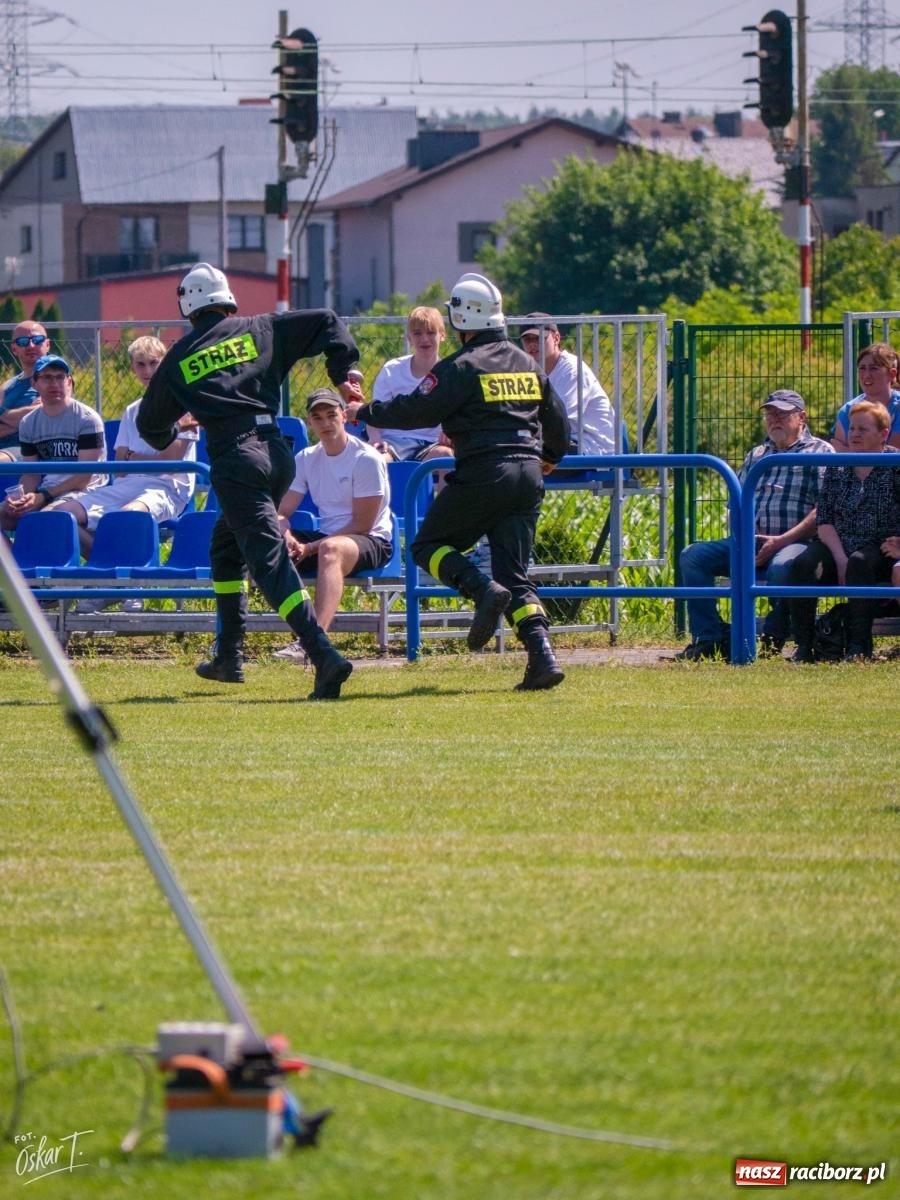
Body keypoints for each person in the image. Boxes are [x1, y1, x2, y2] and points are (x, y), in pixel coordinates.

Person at [136, 262, 363, 700]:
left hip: (236, 461)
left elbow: (149, 426)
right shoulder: (262, 327)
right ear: (227, 299)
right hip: (278, 453)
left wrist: (172, 430)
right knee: (225, 549)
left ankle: (324, 656)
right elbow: (328, 322)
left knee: (268, 562)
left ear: (188, 308)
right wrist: (344, 373)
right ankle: (229, 656)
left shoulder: (180, 357)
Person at [346, 272, 570, 691]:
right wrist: (550, 457)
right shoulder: (527, 364)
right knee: (516, 575)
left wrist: (366, 413)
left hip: (485, 471)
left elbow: (419, 410)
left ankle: (482, 589)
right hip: (527, 477)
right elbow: (557, 419)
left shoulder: (461, 367)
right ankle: (543, 657)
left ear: (463, 320)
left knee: (426, 546)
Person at [677, 389, 834, 661]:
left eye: (783, 413)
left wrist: (781, 541)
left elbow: (824, 510)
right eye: (770, 413)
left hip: (796, 542)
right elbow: (735, 505)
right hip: (749, 541)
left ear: (802, 418)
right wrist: (742, 539)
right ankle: (710, 638)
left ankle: (774, 640)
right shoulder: (757, 454)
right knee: (693, 556)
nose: (775, 418)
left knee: (783, 567)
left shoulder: (821, 451)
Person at [273, 388, 393, 659]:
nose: (325, 423)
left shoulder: (366, 459)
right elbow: (281, 512)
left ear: (344, 416)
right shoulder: (305, 458)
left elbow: (363, 524)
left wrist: (311, 547)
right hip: (327, 537)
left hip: (373, 540)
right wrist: (286, 533)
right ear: (309, 422)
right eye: (318, 417)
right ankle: (231, 640)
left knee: (330, 549)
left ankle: (315, 642)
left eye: (331, 415)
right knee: (265, 540)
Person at [52, 336, 198, 556]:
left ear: (164, 363)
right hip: (127, 485)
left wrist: (134, 457)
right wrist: (142, 459)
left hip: (167, 489)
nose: (147, 370)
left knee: (127, 516)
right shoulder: (132, 411)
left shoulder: (184, 406)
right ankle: (105, 565)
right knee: (62, 514)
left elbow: (171, 466)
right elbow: (120, 467)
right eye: (141, 364)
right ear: (133, 368)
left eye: (154, 363)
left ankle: (128, 577)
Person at [787, 400, 900, 662]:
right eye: (852, 429)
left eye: (863, 429)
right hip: (838, 544)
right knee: (802, 564)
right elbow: (824, 520)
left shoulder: (895, 464)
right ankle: (803, 646)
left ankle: (859, 647)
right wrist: (839, 558)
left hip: (880, 547)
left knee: (860, 563)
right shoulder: (837, 466)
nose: (855, 434)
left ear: (883, 434)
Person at [1, 354, 106, 533]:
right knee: (4, 514)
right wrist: (22, 499)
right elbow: (31, 474)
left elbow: (84, 477)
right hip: (48, 491)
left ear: (69, 381)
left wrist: (44, 496)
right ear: (34, 384)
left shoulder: (87, 419)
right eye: (47, 377)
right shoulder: (28, 423)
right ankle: (14, 562)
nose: (54, 383)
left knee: (47, 519)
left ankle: (98, 557)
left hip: (86, 491)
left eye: (60, 377)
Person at [518, 314, 616, 455]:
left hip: (592, 447)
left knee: (525, 454)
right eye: (527, 339)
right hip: (563, 441)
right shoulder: (529, 370)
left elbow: (560, 420)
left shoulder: (572, 370)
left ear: (556, 338)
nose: (533, 344)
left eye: (540, 338)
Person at [366, 307, 445, 461]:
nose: (424, 339)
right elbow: (374, 412)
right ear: (409, 337)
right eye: (417, 333)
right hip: (395, 442)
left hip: (434, 442)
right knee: (375, 460)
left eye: (431, 332)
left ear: (442, 335)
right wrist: (375, 438)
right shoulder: (392, 369)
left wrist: (451, 432)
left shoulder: (450, 371)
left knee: (446, 458)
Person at [832, 342, 900, 452]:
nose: (867, 375)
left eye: (873, 368)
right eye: (862, 368)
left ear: (892, 374)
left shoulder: (898, 407)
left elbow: (893, 455)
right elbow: (838, 452)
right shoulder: (848, 409)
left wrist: (852, 452)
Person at [0, 320, 49, 461]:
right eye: (23, 341)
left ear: (47, 345)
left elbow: (45, 416)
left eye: (37, 340)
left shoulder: (57, 379)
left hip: (29, 449)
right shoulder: (7, 386)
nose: (31, 345)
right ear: (14, 349)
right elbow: (33, 419)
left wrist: (2, 414)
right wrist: (28, 416)